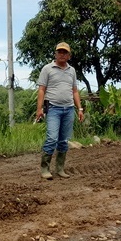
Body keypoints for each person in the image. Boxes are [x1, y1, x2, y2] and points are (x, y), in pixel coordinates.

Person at [36, 42, 84, 180]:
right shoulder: (47, 69)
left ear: (69, 55)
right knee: (52, 138)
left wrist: (79, 108)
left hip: (68, 109)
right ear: (55, 54)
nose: (62, 54)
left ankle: (60, 168)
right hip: (53, 108)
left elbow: (74, 91)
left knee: (63, 140)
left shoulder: (72, 71)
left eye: (65, 52)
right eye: (60, 52)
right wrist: (39, 109)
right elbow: (41, 89)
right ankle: (45, 168)